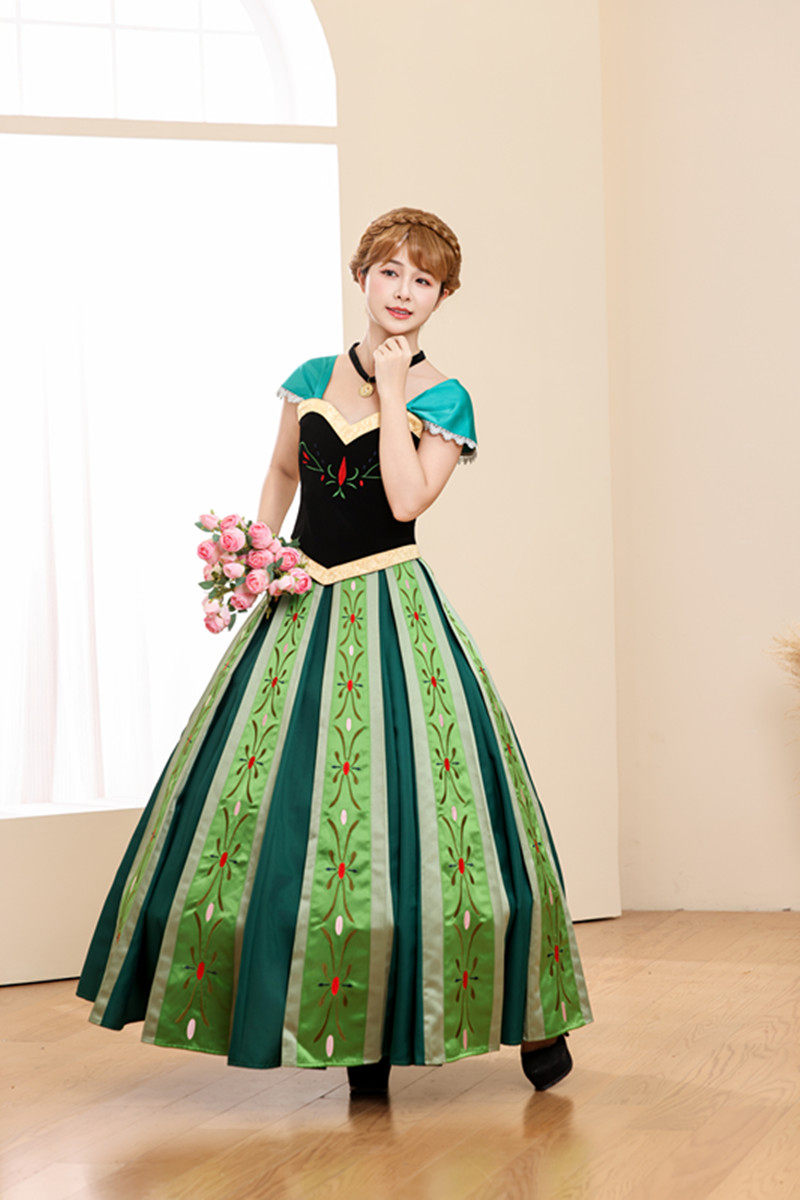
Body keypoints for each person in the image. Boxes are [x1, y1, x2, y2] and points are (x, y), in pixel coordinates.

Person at [76, 205, 593, 1098]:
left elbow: (404, 501)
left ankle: (528, 1022)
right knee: (277, 816)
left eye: (423, 280)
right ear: (362, 277)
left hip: (394, 606)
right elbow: (284, 470)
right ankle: (351, 1035)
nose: (404, 291)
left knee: (431, 817)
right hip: (300, 600)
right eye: (390, 271)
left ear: (442, 298)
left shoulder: (444, 398)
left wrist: (393, 393)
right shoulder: (312, 376)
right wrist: (260, 551)